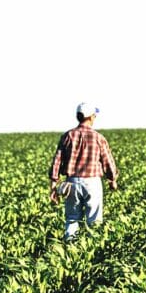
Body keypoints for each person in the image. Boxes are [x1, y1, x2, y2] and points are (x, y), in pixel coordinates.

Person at [49, 102, 118, 241]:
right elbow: (108, 161)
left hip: (72, 182)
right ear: (91, 117)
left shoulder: (68, 136)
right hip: (92, 183)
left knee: (72, 219)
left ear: (78, 116)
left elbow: (57, 160)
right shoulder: (98, 137)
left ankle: (70, 249)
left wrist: (53, 186)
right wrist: (112, 179)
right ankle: (92, 250)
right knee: (94, 220)